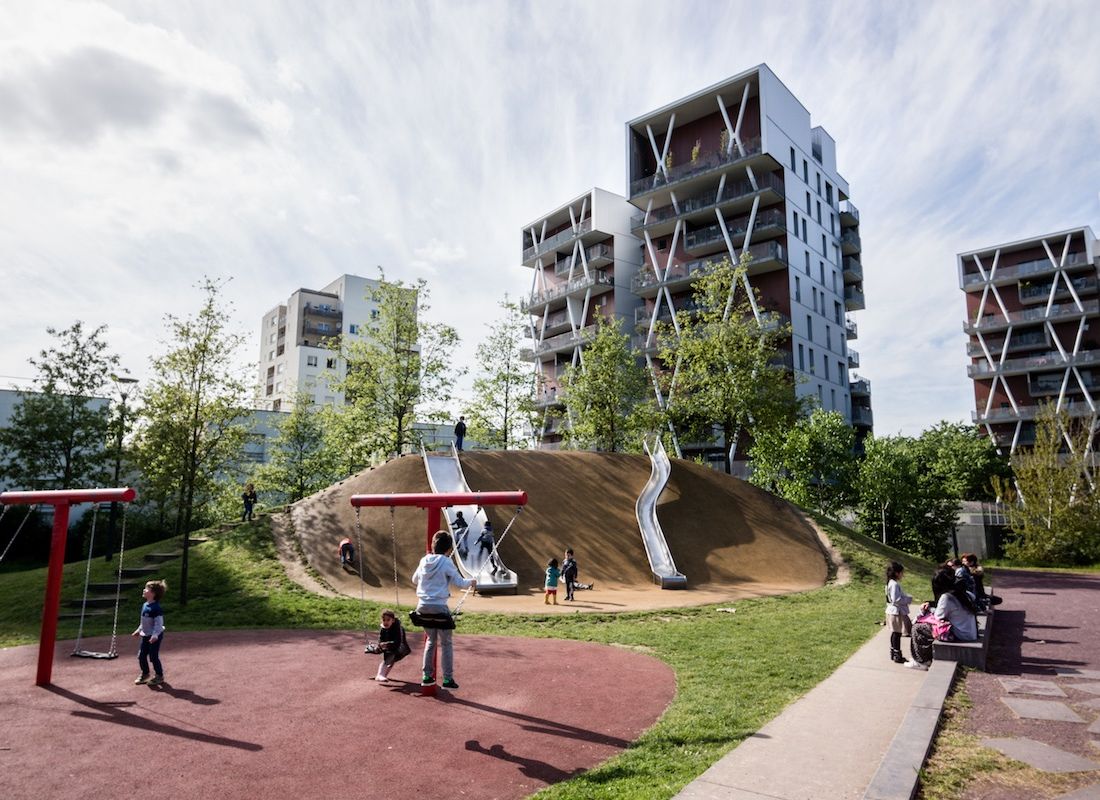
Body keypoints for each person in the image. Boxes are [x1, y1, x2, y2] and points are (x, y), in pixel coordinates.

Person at [411, 531, 476, 689]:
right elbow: (459, 583)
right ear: (448, 549)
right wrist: (472, 582)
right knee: (446, 643)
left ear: (433, 546)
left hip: (422, 607)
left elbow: (414, 580)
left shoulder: (424, 560)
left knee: (431, 641)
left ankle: (427, 676)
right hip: (439, 607)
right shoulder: (446, 561)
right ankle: (447, 679)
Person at [907, 566, 979, 670]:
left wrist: (928, 609)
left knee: (917, 628)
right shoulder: (962, 592)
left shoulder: (946, 597)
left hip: (960, 634)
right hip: (970, 632)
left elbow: (938, 616)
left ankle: (921, 661)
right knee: (927, 627)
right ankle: (924, 658)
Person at [131, 579, 167, 686]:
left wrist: (155, 635)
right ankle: (145, 674)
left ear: (153, 593)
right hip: (146, 635)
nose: (144, 590)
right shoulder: (145, 605)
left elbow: (158, 624)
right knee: (141, 656)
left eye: (147, 589)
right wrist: (139, 630)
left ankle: (159, 676)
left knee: (153, 656)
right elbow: (144, 622)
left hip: (154, 636)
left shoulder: (156, 608)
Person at [884, 561, 913, 664]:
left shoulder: (889, 583)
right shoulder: (894, 584)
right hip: (895, 612)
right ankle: (897, 655)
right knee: (897, 633)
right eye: (902, 573)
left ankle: (894, 653)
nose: (902, 575)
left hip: (891, 611)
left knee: (895, 633)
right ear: (897, 573)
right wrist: (908, 599)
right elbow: (896, 599)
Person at [374, 609, 409, 682]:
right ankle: (381, 675)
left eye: (388, 620)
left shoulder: (398, 628)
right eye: (384, 620)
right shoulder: (383, 628)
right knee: (389, 658)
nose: (385, 622)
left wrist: (387, 644)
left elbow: (398, 641)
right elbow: (381, 638)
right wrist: (380, 645)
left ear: (392, 620)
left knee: (391, 659)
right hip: (391, 648)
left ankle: (382, 675)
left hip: (401, 647)